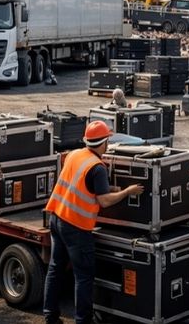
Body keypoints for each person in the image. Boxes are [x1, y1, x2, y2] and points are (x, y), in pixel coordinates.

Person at [43, 121, 144, 324]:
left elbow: (81, 185)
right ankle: (83, 320)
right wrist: (127, 192)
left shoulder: (75, 154)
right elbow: (104, 201)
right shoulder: (97, 167)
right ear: (104, 142)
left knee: (55, 268)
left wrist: (108, 187)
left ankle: (50, 317)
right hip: (76, 227)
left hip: (56, 217)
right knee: (84, 276)